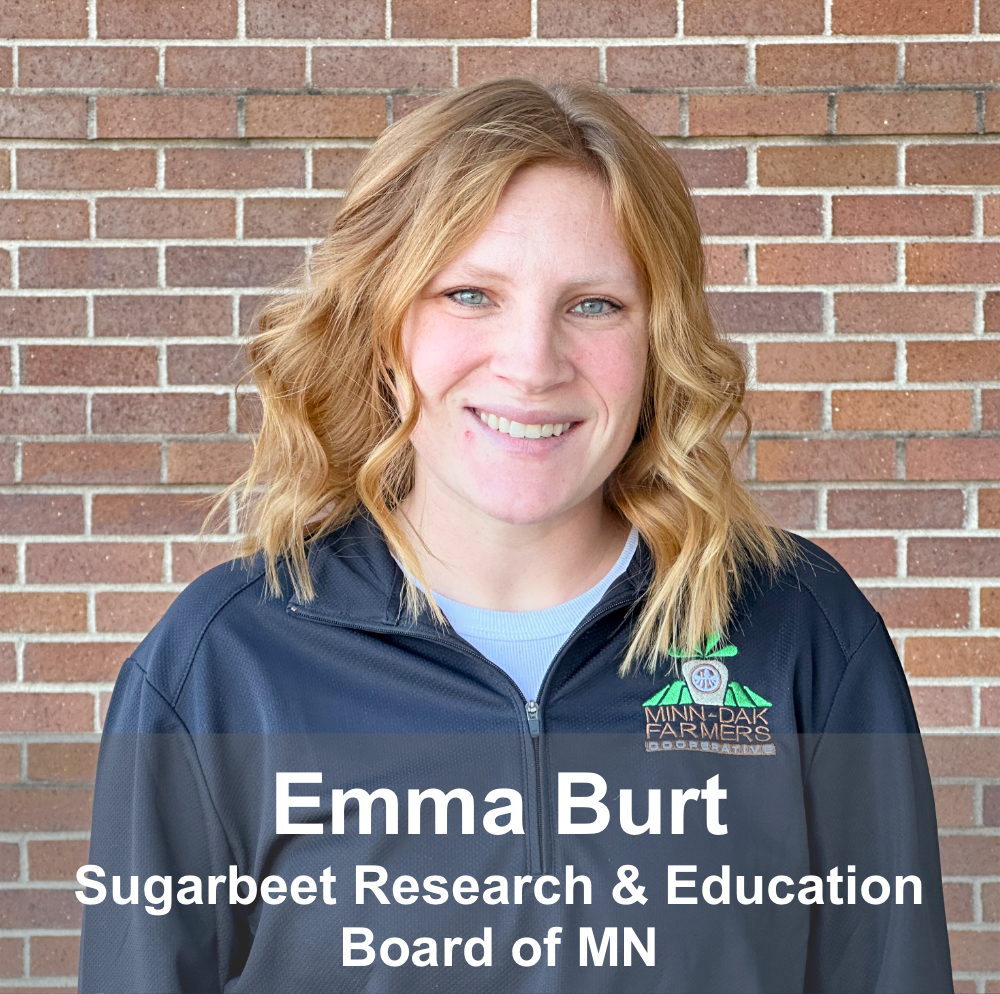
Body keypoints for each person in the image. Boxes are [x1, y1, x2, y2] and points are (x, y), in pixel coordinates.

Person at [79, 79, 952, 993]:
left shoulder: (801, 636)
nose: (532, 364)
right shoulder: (222, 666)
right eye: (469, 294)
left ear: (661, 338)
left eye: (595, 304)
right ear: (384, 327)